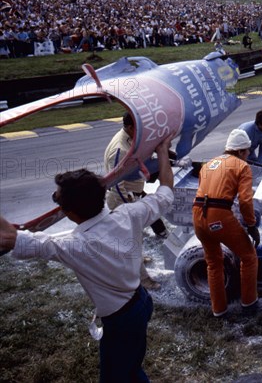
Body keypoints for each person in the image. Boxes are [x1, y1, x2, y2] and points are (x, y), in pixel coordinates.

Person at [0, 135, 175, 383]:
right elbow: (166, 192)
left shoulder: (73, 245)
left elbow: (9, 238)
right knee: (131, 367)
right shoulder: (128, 215)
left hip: (121, 320)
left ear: (70, 214)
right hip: (141, 302)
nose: (55, 197)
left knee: (116, 377)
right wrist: (163, 151)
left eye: (56, 198)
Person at [192, 129, 262, 318]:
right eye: (247, 151)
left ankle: (219, 310)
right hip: (219, 215)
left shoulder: (208, 164)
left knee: (213, 263)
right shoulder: (241, 166)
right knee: (248, 256)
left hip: (198, 215)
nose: (248, 155)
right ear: (241, 151)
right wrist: (251, 225)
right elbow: (245, 201)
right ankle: (249, 303)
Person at [104, 112, 168, 289]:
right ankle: (143, 279)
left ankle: (138, 260)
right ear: (131, 127)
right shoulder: (120, 149)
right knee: (132, 241)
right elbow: (116, 184)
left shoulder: (130, 138)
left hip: (133, 195)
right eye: (139, 127)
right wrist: (130, 207)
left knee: (136, 237)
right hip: (122, 200)